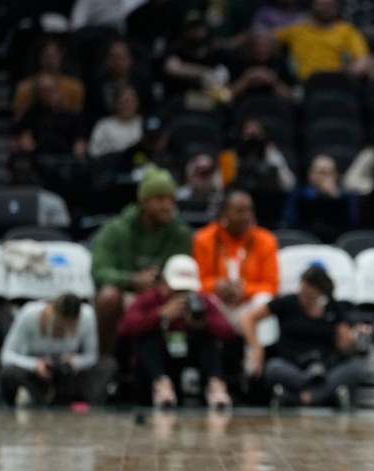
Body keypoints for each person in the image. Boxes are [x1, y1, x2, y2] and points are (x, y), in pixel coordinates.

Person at [91, 167, 193, 355]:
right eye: (160, 199)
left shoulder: (179, 233)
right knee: (107, 296)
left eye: (171, 199)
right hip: (127, 293)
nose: (167, 205)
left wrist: (163, 283)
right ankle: (107, 360)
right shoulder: (116, 230)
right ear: (143, 201)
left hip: (164, 294)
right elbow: (99, 270)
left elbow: (186, 270)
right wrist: (132, 279)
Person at [241, 266, 368, 407]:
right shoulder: (288, 302)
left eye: (312, 294)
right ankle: (322, 395)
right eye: (304, 291)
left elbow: (343, 346)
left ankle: (304, 398)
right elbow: (248, 319)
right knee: (273, 368)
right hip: (292, 366)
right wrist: (257, 348)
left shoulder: (333, 308)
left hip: (325, 368)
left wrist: (355, 337)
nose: (306, 297)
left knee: (354, 368)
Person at [117, 254, 234, 407]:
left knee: (208, 336)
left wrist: (203, 322)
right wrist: (160, 315)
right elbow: (124, 328)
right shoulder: (150, 299)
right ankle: (161, 385)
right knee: (148, 332)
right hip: (157, 364)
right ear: (165, 284)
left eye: (186, 290)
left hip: (190, 358)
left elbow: (229, 332)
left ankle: (215, 384)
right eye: (177, 289)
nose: (182, 295)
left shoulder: (202, 301)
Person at [0, 293, 116, 406]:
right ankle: (44, 396)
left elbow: (92, 356)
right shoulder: (30, 314)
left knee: (108, 364)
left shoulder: (87, 315)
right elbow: (6, 356)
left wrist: (77, 362)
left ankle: (65, 398)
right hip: (38, 374)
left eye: (70, 327)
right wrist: (34, 365)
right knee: (8, 373)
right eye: (61, 325)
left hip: (70, 375)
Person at [192, 190, 279, 331]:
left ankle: (260, 350)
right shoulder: (203, 239)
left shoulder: (266, 240)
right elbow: (195, 282)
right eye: (239, 211)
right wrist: (216, 285)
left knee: (265, 300)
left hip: (247, 309)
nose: (246, 216)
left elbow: (272, 286)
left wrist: (244, 290)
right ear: (224, 213)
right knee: (202, 300)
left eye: (249, 211)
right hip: (217, 305)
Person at [273, 0, 373, 81]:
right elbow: (268, 39)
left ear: (336, 7)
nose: (326, 8)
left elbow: (361, 58)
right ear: (313, 6)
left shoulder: (348, 31)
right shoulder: (297, 29)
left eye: (330, 4)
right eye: (322, 4)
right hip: (302, 82)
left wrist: (352, 71)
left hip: (336, 82)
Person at [281, 155, 359, 243]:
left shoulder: (347, 198)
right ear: (310, 174)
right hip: (305, 243)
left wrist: (335, 197)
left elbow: (352, 226)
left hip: (337, 244)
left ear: (336, 175)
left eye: (327, 173)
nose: (322, 178)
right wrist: (314, 197)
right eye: (318, 172)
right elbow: (289, 222)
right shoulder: (299, 195)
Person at [12, 39, 85, 120]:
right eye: (46, 56)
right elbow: (18, 119)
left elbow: (76, 119)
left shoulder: (74, 87)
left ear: (61, 56)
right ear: (39, 58)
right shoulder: (24, 88)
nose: (50, 60)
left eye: (53, 56)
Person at [88, 86, 143, 158]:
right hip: (109, 165)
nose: (127, 106)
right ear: (116, 103)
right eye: (124, 102)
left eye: (130, 102)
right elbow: (93, 151)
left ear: (137, 103)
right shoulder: (104, 125)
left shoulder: (143, 124)